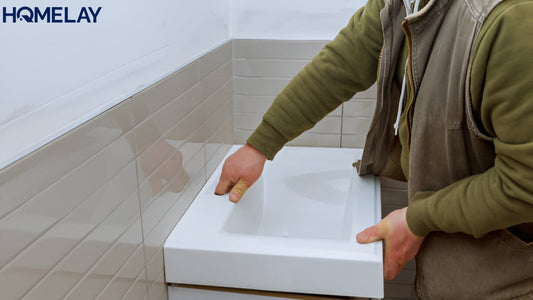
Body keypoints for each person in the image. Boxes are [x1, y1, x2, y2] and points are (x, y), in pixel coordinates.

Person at [215, 0, 533, 298]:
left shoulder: (512, 21)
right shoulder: (400, 4)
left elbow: (524, 186)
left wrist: (418, 218)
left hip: (509, 281)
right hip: (452, 267)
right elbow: (340, 65)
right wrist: (260, 145)